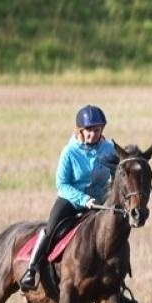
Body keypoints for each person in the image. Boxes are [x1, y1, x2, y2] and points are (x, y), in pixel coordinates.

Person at [21, 104, 122, 293]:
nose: (94, 134)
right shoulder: (69, 152)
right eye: (90, 130)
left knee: (114, 233)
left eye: (97, 130)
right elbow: (62, 185)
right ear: (80, 131)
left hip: (98, 202)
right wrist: (84, 199)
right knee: (50, 229)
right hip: (71, 201)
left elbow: (117, 175)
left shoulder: (109, 149)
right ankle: (31, 269)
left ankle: (119, 285)